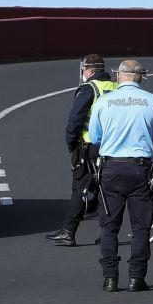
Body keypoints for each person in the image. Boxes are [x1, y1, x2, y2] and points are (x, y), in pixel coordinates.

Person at [87, 59, 153, 292]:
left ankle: (110, 277)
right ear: (141, 76)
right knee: (141, 227)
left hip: (111, 167)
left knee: (109, 226)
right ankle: (136, 277)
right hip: (140, 168)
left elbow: (94, 136)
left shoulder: (104, 101)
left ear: (118, 76)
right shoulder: (152, 101)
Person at [47, 54, 119, 246]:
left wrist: (71, 143)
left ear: (88, 70)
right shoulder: (115, 87)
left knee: (80, 188)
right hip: (113, 146)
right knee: (108, 190)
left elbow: (75, 120)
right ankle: (106, 233)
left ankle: (69, 231)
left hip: (89, 146)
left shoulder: (89, 89)